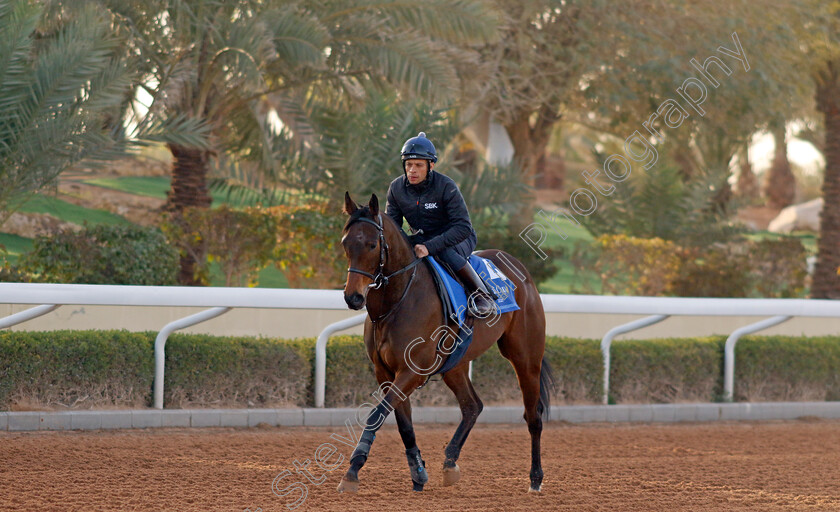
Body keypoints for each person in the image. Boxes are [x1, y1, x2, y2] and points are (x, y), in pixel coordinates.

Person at [385, 132, 494, 316]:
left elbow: (463, 227)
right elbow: (393, 229)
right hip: (423, 238)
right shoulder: (396, 188)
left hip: (457, 238)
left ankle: (482, 295)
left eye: (419, 165)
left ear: (431, 165)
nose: (412, 170)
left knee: (444, 252)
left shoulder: (446, 186)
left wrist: (429, 246)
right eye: (409, 165)